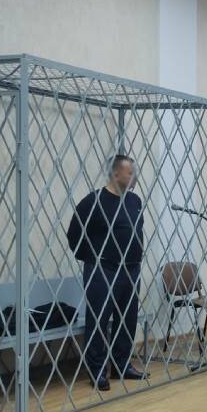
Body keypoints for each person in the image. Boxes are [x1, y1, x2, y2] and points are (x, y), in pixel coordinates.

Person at [67, 155, 146, 391]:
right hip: (103, 269)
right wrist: (91, 258)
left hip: (131, 269)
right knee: (99, 320)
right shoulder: (94, 201)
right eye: (130, 172)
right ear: (116, 173)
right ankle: (97, 370)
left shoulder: (134, 200)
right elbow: (75, 233)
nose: (134, 176)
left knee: (127, 319)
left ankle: (122, 365)